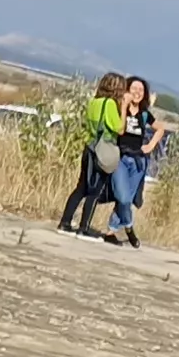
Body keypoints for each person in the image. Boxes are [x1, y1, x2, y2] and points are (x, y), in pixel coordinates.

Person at [59, 71, 130, 235]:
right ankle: (84, 227)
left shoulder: (94, 102)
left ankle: (65, 221)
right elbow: (119, 129)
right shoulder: (110, 104)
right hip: (102, 150)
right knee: (95, 190)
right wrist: (124, 107)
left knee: (81, 187)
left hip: (89, 147)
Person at [106, 76, 165, 248]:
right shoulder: (119, 108)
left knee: (128, 199)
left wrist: (151, 145)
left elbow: (160, 128)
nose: (137, 93)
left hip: (138, 161)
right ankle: (129, 226)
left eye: (141, 90)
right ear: (127, 90)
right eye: (134, 89)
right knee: (122, 197)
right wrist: (124, 106)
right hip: (121, 158)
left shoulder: (145, 114)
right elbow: (119, 129)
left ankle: (111, 231)